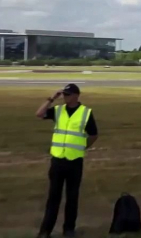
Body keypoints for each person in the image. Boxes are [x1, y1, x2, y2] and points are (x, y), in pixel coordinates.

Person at [35, 83, 98, 238]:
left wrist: (82, 147)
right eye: (64, 94)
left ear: (76, 95)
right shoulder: (58, 111)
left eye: (68, 95)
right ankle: (45, 231)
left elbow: (93, 134)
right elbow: (39, 114)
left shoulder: (85, 113)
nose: (65, 97)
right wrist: (51, 98)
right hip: (57, 160)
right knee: (53, 197)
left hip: (74, 161)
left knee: (72, 197)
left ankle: (69, 229)